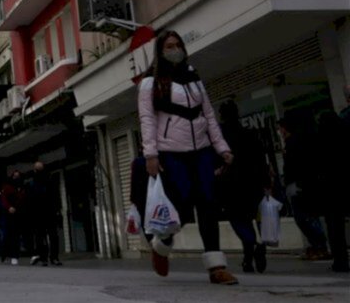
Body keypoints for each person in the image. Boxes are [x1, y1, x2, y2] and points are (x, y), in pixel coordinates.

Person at [137, 30, 237, 285]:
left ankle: (216, 267)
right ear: (160, 52)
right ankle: (162, 245)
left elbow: (209, 116)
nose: (174, 49)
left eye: (177, 45)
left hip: (201, 150)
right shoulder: (150, 83)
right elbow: (147, 120)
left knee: (207, 204)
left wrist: (222, 147)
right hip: (171, 152)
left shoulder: (194, 79)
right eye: (168, 46)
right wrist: (151, 154)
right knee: (180, 204)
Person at [217, 101, 270, 274]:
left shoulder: (221, 137)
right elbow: (261, 160)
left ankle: (253, 247)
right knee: (251, 217)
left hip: (231, 185)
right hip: (253, 184)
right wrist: (266, 183)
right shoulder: (250, 134)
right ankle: (248, 259)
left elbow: (216, 160)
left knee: (239, 221)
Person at [279, 114, 329, 260]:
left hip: (299, 185)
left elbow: (298, 165)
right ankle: (317, 245)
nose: (280, 131)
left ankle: (320, 245)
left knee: (304, 217)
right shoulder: (291, 143)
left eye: (281, 128)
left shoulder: (295, 143)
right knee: (305, 217)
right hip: (296, 184)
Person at [316, 111, 349, 272]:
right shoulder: (345, 132)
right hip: (345, 183)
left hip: (330, 188)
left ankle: (341, 260)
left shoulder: (321, 138)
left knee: (335, 228)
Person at [26, 162, 61, 267]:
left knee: (41, 237)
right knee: (52, 236)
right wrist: (57, 209)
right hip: (49, 212)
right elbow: (56, 196)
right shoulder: (50, 181)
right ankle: (53, 258)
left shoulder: (33, 183)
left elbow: (30, 201)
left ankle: (44, 258)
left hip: (39, 214)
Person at [0, 169, 25, 265]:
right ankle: (6, 254)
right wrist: (9, 207)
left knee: (16, 235)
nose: (16, 178)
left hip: (17, 212)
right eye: (15, 176)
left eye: (18, 176)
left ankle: (14, 255)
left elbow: (22, 199)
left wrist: (16, 207)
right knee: (8, 235)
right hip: (8, 213)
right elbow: (4, 199)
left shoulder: (21, 187)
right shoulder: (7, 187)